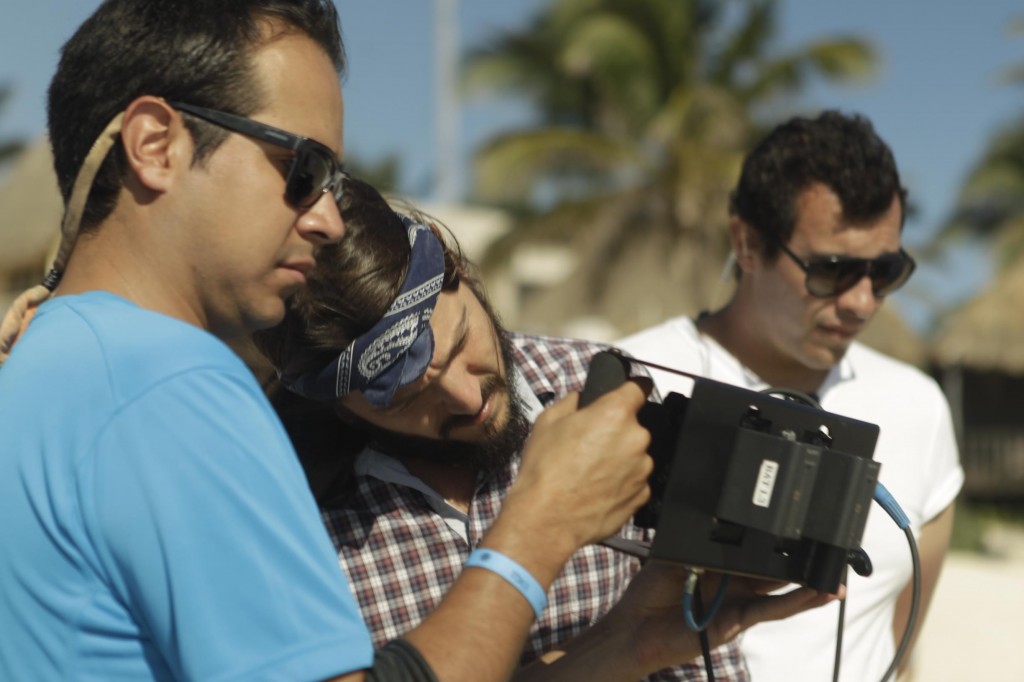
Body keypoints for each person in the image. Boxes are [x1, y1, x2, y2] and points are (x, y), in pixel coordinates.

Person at [0, 1, 661, 679]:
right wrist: (540, 525)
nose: (328, 220)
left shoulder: (46, 367)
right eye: (302, 168)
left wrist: (631, 643)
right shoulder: (170, 383)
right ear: (154, 146)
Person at [252, 176, 841, 681]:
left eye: (462, 343)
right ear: (343, 409)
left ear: (456, 266)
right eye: (406, 400)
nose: (467, 399)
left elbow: (697, 651)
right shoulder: (292, 524)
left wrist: (633, 645)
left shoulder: (599, 393)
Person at [618, 110, 964, 682]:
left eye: (885, 271)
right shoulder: (636, 386)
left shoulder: (919, 406)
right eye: (832, 270)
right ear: (747, 244)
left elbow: (899, 644)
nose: (862, 302)